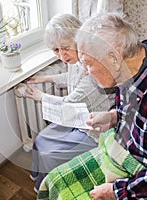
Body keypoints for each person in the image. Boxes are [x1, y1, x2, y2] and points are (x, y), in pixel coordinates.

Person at [37, 13, 147, 200]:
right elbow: (141, 112)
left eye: (87, 64)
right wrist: (114, 116)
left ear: (114, 59)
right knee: (54, 180)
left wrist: (116, 192)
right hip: (124, 151)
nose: (84, 71)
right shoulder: (130, 63)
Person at [24, 13, 113, 193]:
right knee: (40, 139)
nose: (62, 56)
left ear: (79, 40)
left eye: (65, 48)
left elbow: (69, 102)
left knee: (50, 154)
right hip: (77, 117)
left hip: (92, 127)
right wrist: (46, 77)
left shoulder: (92, 68)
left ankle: (47, 188)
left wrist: (41, 96)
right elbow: (71, 77)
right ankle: (38, 176)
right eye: (56, 50)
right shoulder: (75, 59)